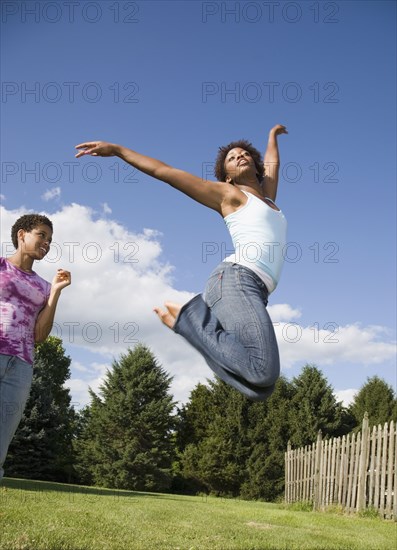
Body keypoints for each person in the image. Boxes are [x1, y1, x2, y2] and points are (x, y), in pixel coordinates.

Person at [75, 124, 287, 401]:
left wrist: (271, 135)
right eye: (232, 158)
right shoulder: (229, 196)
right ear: (227, 178)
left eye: (244, 153)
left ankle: (191, 323)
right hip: (237, 280)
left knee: (260, 387)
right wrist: (118, 150)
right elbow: (167, 173)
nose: (239, 156)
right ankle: (190, 317)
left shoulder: (268, 199)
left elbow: (273, 164)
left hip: (257, 290)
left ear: (257, 167)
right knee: (262, 371)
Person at [0, 214, 71, 481]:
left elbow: (39, 335)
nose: (47, 243)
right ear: (22, 234)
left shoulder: (43, 286)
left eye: (50, 239)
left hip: (21, 366)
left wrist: (55, 292)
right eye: (41, 235)